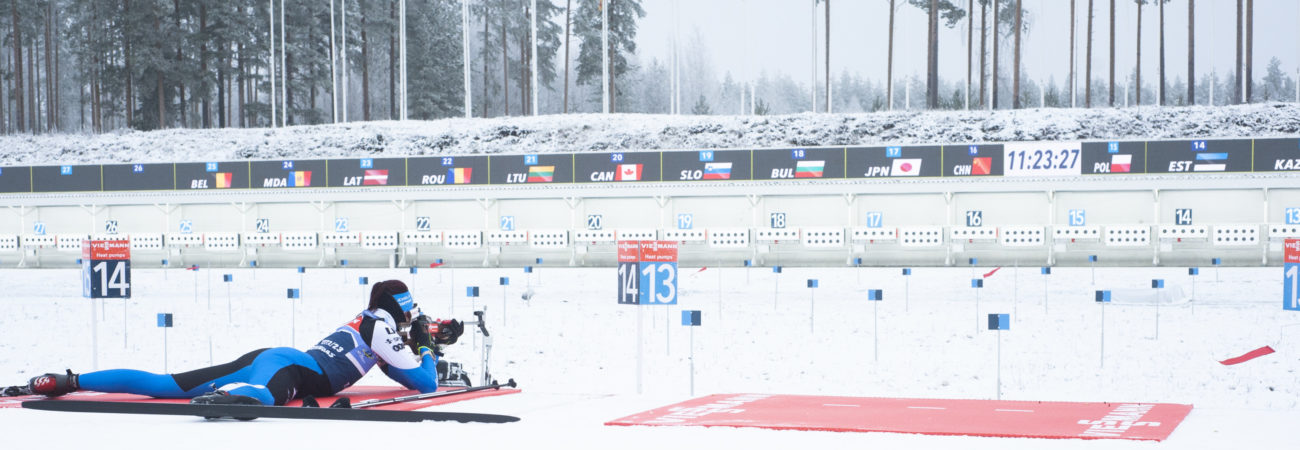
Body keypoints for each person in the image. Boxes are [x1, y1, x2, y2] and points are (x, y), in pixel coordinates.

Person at [5, 280, 464, 406]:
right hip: (293, 372)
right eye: (414, 314)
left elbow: (391, 365)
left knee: (164, 385)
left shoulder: (370, 319)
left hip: (277, 357)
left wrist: (425, 340)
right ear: (403, 310)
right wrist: (427, 345)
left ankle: (69, 378)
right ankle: (227, 397)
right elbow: (422, 383)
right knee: (261, 397)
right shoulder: (384, 328)